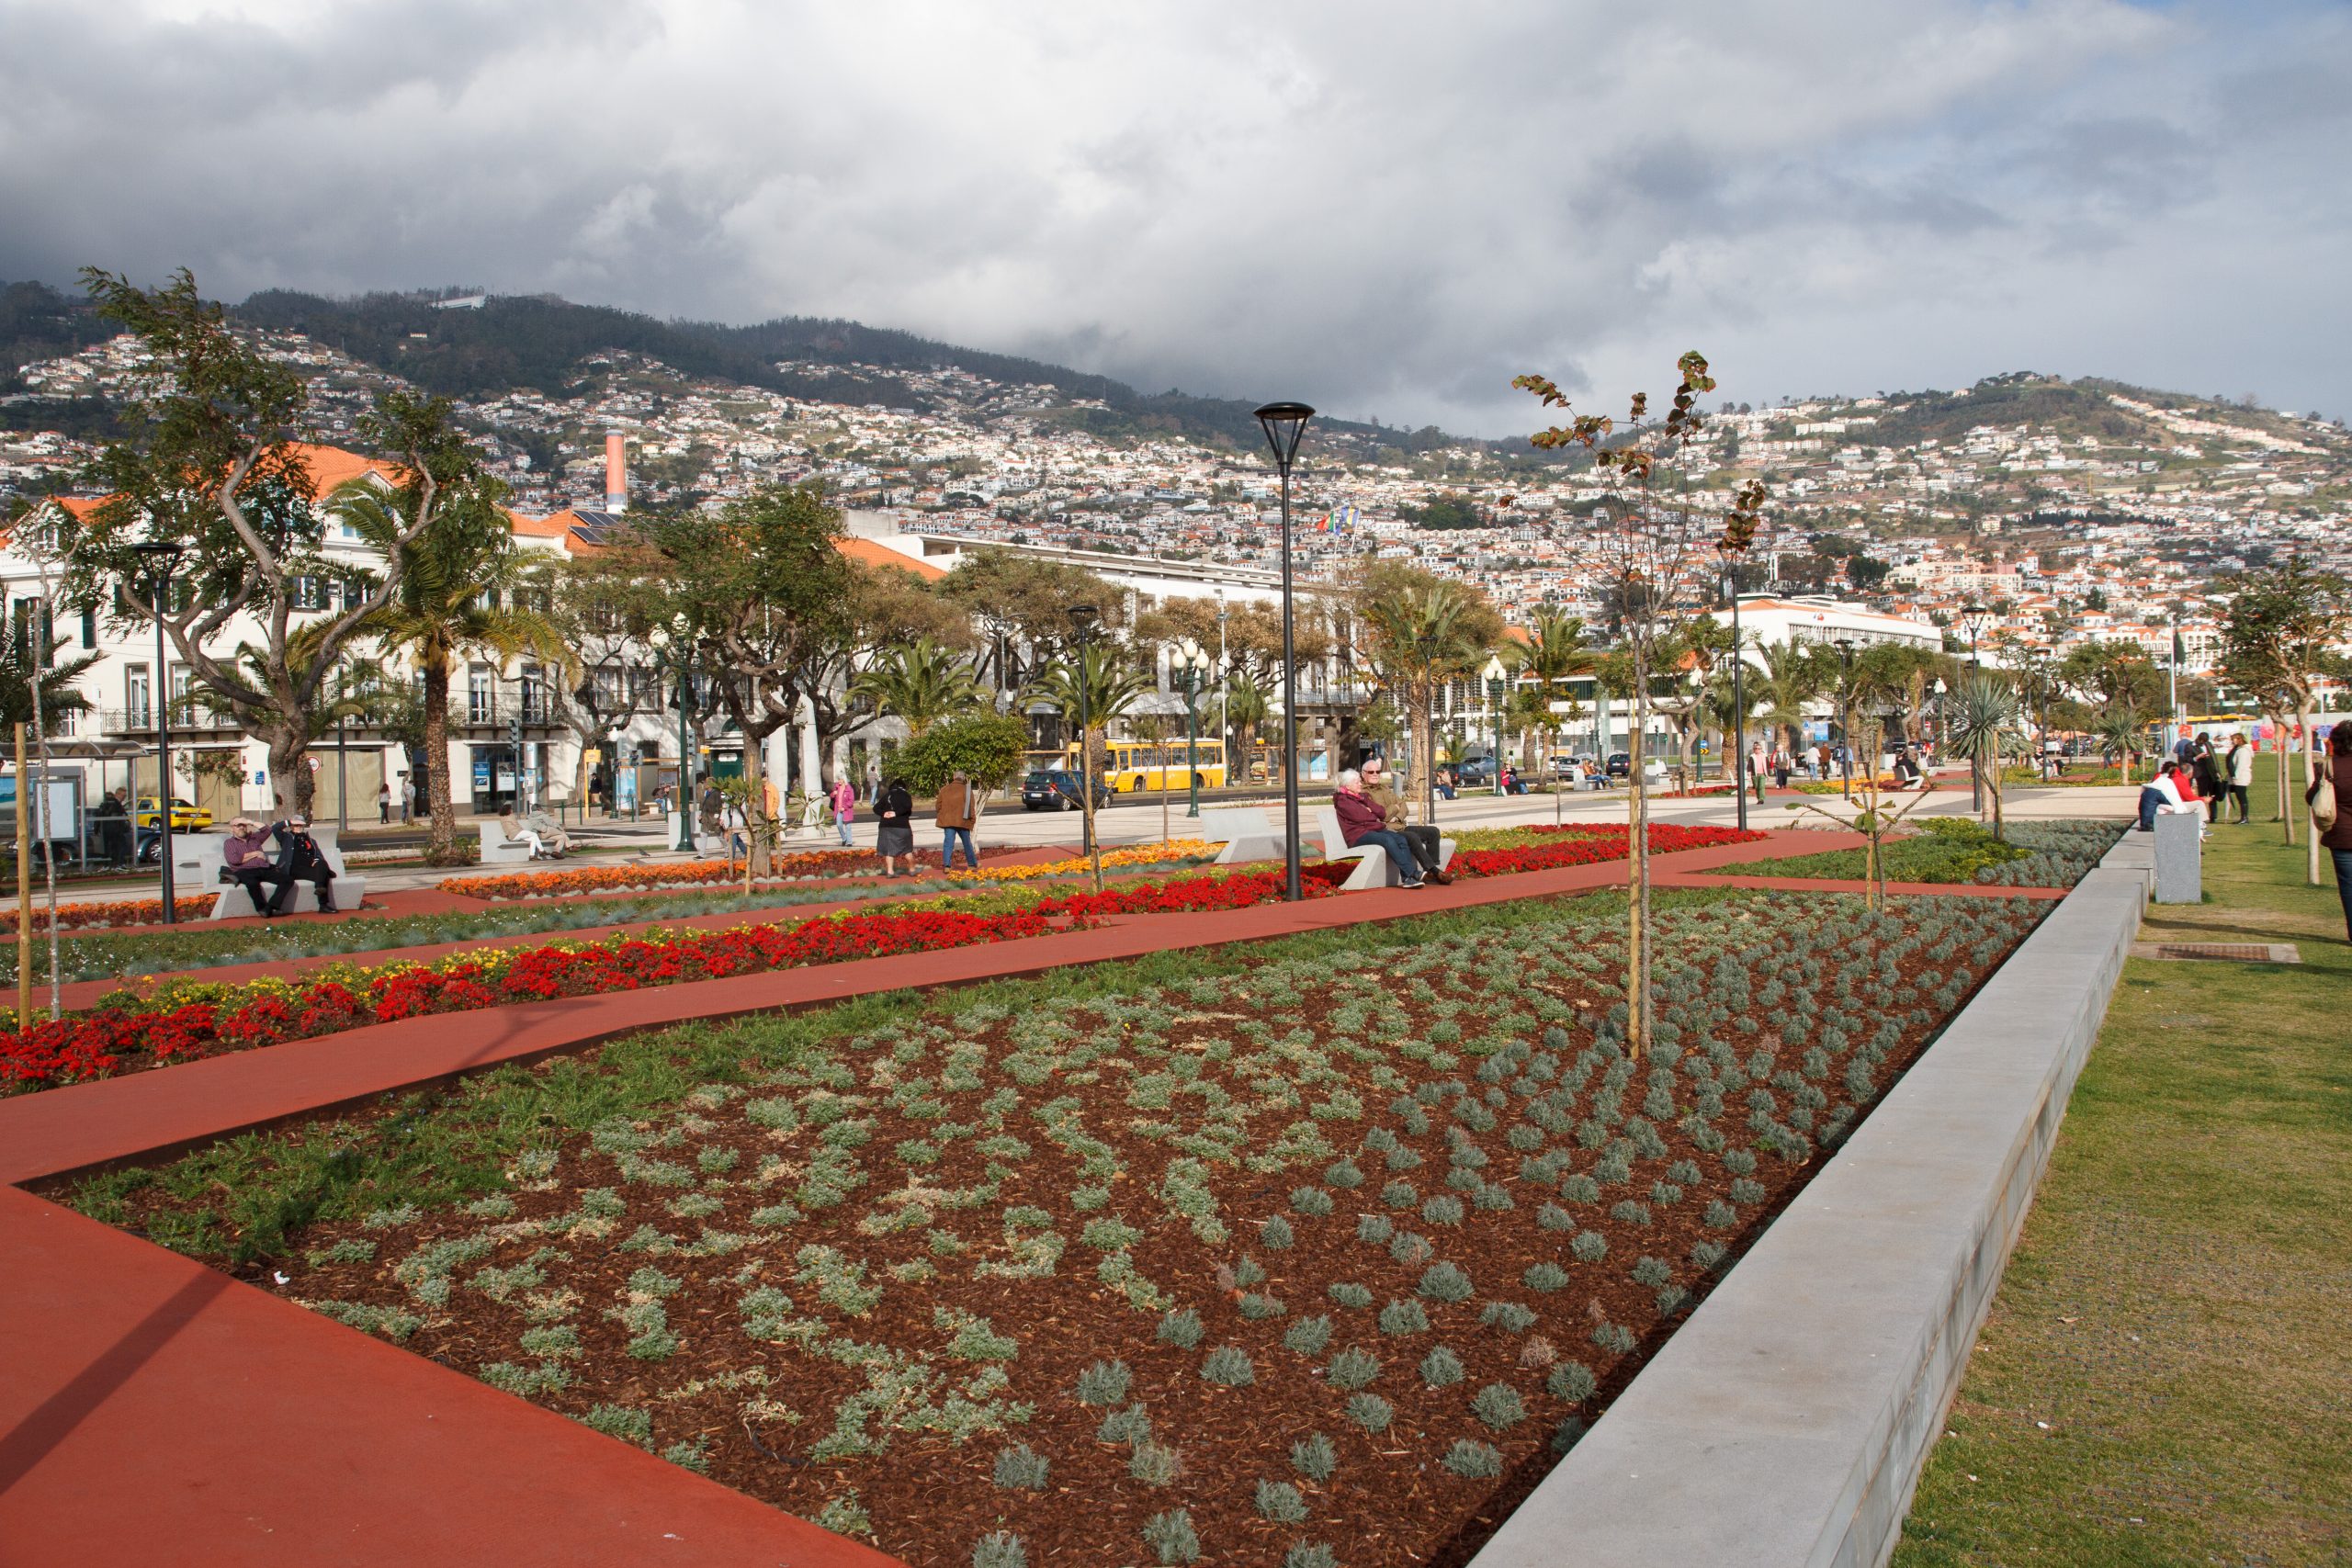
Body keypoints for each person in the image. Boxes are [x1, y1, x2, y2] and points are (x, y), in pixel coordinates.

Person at [1360, 756, 1450, 885]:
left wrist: (1397, 816)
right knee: (1412, 837)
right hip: (1388, 830)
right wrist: (1394, 809)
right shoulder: (1363, 793)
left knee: (1433, 832)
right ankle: (1435, 872)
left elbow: (1403, 806)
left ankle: (1431, 871)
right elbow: (1381, 815)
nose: (1375, 774)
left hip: (1399, 824)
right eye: (1371, 772)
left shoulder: (1384, 788)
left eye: (1378, 772)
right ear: (1363, 774)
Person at [1334, 768, 1426, 887]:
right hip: (1357, 836)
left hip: (1371, 830)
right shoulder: (1343, 800)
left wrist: (1370, 809)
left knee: (1401, 839)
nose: (1360, 784)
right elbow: (1361, 817)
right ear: (1348, 785)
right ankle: (1412, 873)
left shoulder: (1361, 797)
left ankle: (1407, 878)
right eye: (1357, 782)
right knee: (1387, 840)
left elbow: (1382, 813)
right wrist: (1372, 816)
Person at [2313, 725, 2352, 942]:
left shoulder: (2330, 768)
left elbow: (2313, 797)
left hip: (2342, 835)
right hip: (2342, 835)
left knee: (2348, 886)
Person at [265, 814, 338, 914]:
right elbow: (275, 828)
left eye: (300, 825)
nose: (298, 827)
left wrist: (316, 860)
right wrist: (290, 822)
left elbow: (318, 855)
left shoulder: (311, 840)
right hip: (291, 869)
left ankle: (321, 895)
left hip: (307, 869)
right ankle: (322, 901)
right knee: (323, 874)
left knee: (322, 865)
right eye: (296, 825)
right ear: (291, 826)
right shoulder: (286, 838)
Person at [220, 817, 285, 917]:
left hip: (263, 868)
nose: (241, 827)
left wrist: (250, 821)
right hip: (244, 870)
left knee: (287, 880)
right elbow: (235, 860)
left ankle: (271, 907)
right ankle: (261, 908)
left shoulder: (255, 838)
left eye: (243, 825)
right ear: (232, 828)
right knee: (252, 883)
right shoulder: (230, 842)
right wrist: (256, 853)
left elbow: (267, 830)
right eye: (238, 825)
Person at [935, 769, 982, 871]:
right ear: (964, 778)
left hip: (948, 821)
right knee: (967, 843)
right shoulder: (967, 790)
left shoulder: (944, 789)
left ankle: (947, 865)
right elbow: (970, 808)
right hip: (963, 821)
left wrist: (944, 814)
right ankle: (972, 865)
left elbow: (938, 806)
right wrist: (972, 821)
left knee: (948, 843)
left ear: (953, 777)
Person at [874, 776, 915, 874]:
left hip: (885, 826)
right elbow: (908, 807)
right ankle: (912, 869)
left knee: (889, 850)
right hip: (902, 826)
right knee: (907, 849)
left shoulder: (887, 795)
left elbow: (876, 808)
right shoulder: (905, 795)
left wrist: (884, 813)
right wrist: (896, 813)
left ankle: (890, 871)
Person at [93, 786, 130, 868]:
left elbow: (98, 816)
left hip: (105, 830)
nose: (124, 798)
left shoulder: (104, 804)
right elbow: (123, 817)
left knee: (108, 848)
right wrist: (125, 826)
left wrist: (96, 830)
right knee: (121, 845)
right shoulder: (117, 805)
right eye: (123, 796)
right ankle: (119, 864)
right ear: (118, 794)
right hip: (115, 830)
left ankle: (107, 865)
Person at [2192, 739, 2224, 824]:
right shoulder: (2193, 747)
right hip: (2202, 776)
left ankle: (2213, 816)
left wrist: (2218, 773)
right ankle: (2202, 817)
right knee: (2202, 796)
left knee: (2212, 796)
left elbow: (2214, 760)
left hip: (2211, 776)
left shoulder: (2208, 745)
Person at [2226, 732, 2254, 824]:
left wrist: (2236, 776)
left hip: (2241, 777)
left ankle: (2244, 818)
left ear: (2239, 739)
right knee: (2240, 797)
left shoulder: (2243, 751)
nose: (2232, 741)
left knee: (2242, 797)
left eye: (2233, 739)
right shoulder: (2238, 749)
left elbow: (2240, 765)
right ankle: (2243, 817)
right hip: (2237, 777)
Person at [831, 773, 858, 848]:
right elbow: (831, 796)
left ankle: (849, 842)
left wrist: (844, 807)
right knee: (839, 825)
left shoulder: (849, 789)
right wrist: (833, 793)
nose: (838, 781)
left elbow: (851, 801)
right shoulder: (837, 787)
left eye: (840, 779)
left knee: (848, 826)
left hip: (847, 810)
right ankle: (844, 838)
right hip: (838, 810)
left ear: (844, 780)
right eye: (838, 779)